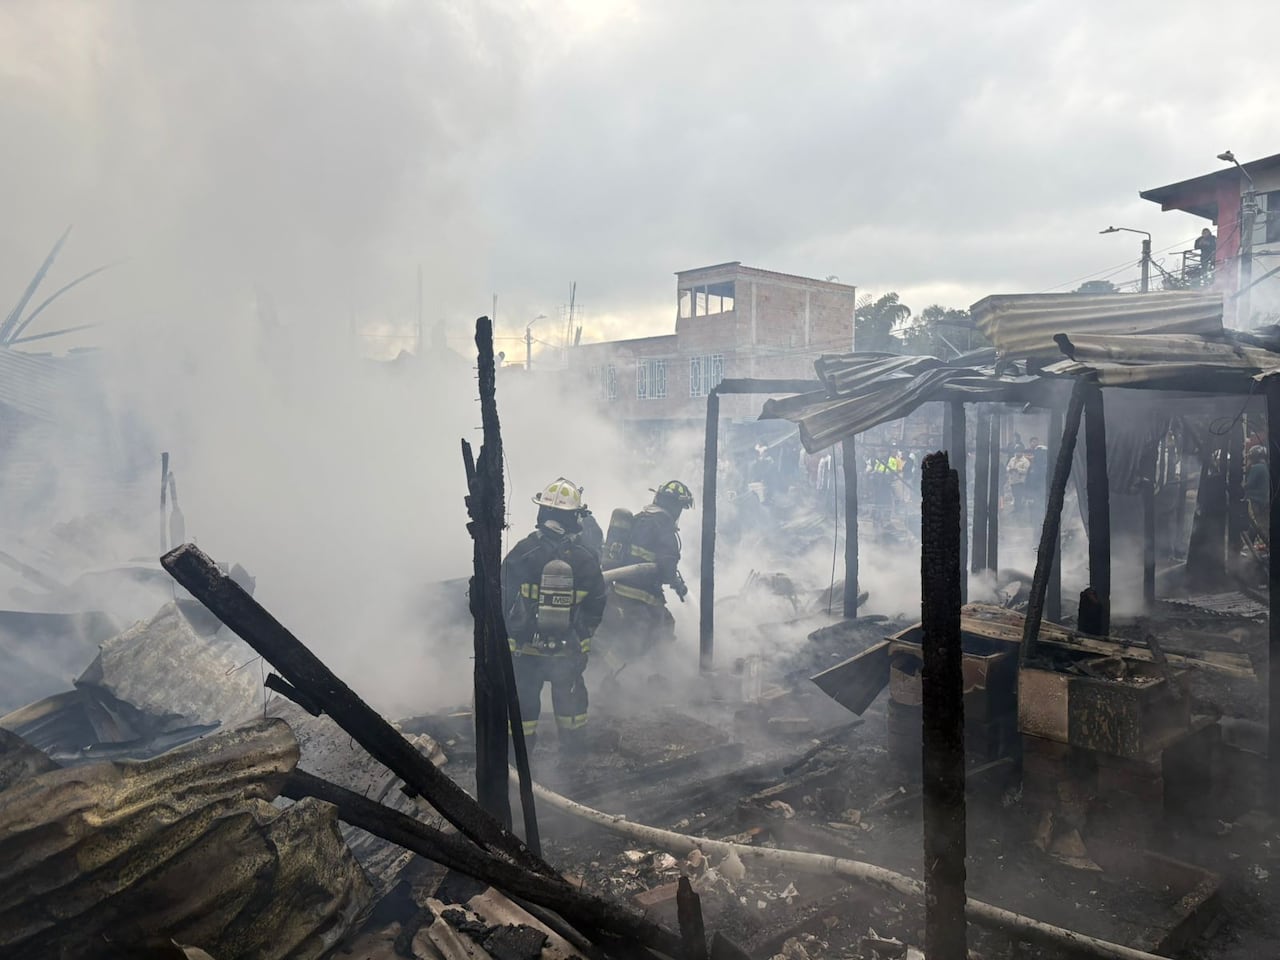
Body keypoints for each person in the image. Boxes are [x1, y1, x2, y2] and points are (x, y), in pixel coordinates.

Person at [502, 477, 607, 755]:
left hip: (527, 649)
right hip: (568, 648)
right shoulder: (585, 558)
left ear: (543, 512)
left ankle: (519, 759)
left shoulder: (524, 551)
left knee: (523, 704)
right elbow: (597, 602)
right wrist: (582, 637)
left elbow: (501, 595)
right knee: (570, 701)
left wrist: (510, 638)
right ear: (574, 517)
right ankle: (573, 757)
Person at [596, 479, 694, 672]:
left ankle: (650, 673)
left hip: (620, 592)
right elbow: (666, 567)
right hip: (642, 597)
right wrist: (677, 584)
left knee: (662, 626)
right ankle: (607, 676)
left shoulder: (640, 518)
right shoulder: (664, 527)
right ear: (675, 506)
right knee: (648, 636)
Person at [1245, 445, 1269, 546]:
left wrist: (1247, 469)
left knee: (1253, 524)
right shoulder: (1264, 467)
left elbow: (1247, 485)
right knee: (1261, 524)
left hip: (1254, 500)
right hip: (1264, 500)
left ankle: (1249, 544)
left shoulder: (1256, 468)